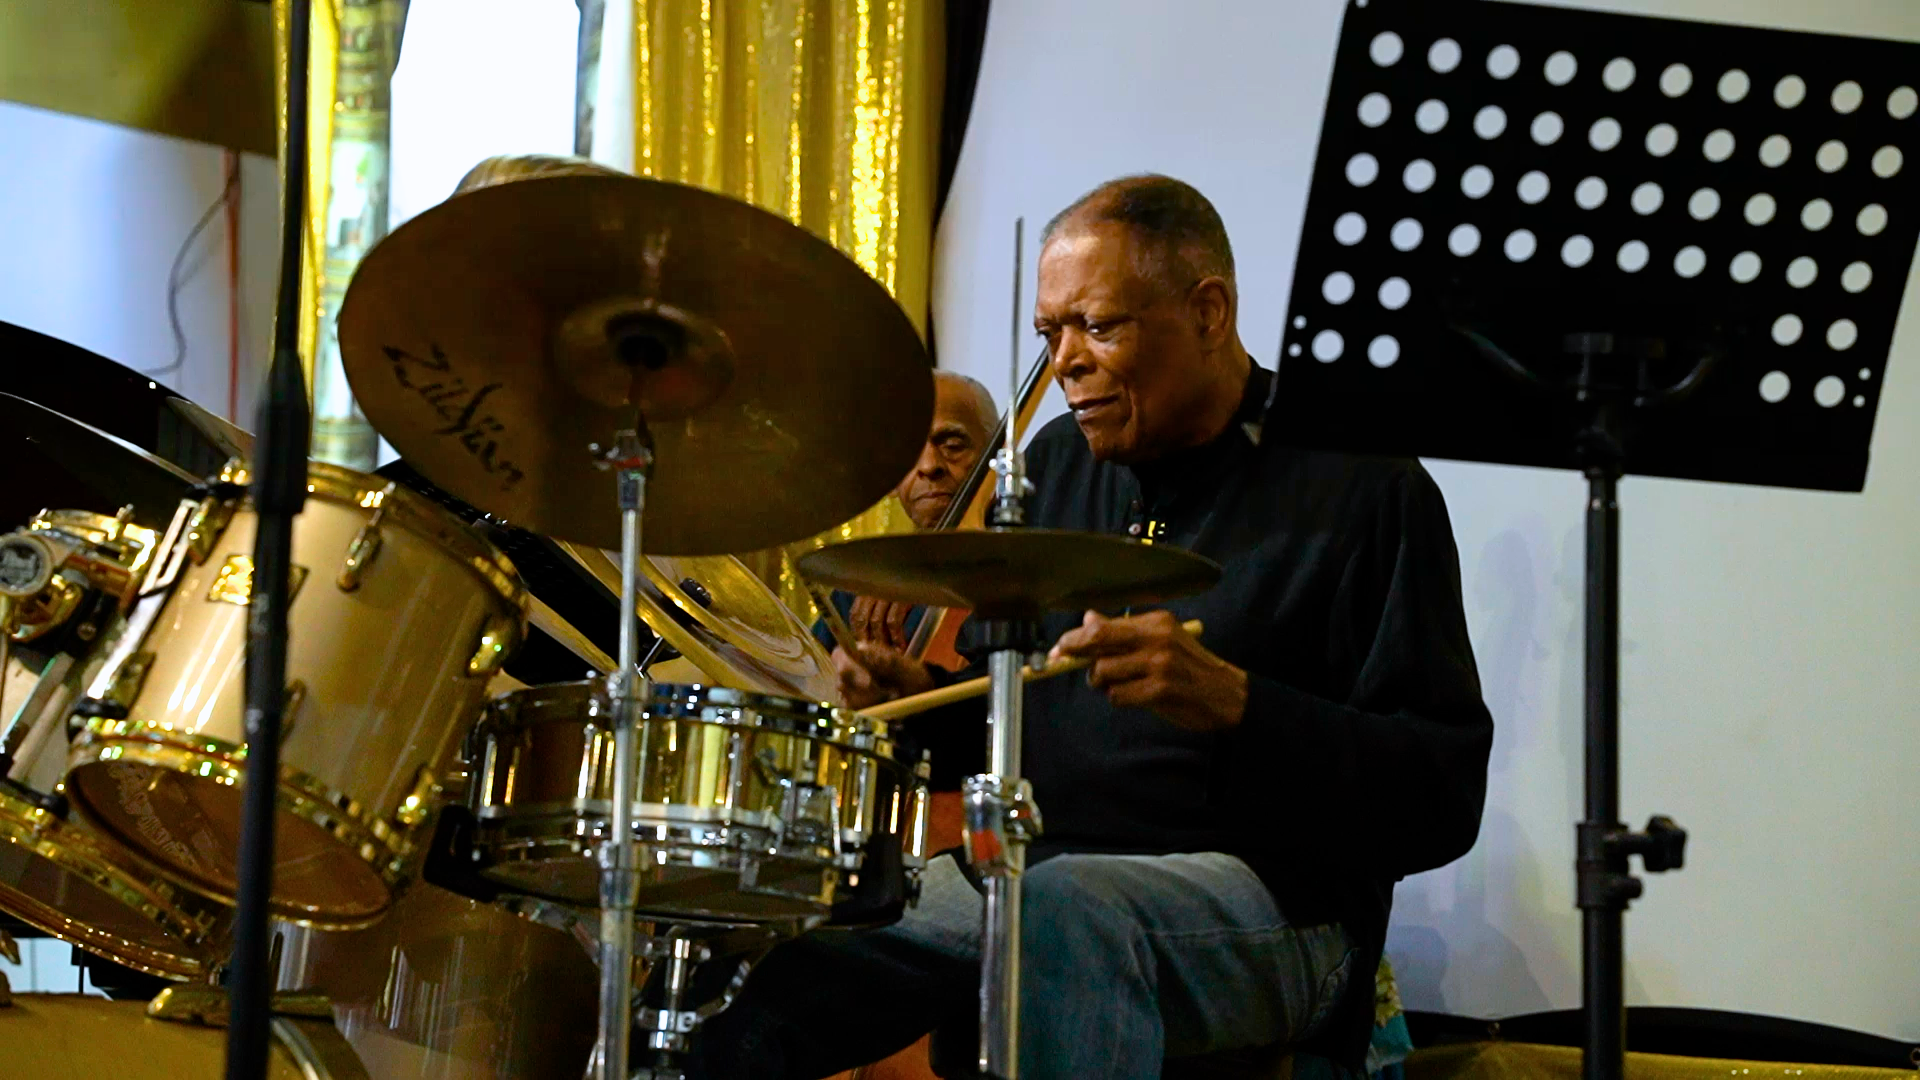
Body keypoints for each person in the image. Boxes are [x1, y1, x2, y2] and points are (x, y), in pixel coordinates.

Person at [690, 175, 1493, 1080]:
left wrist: (1239, 705)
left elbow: (1441, 797)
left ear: (1209, 311)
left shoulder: (1362, 483)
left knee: (1059, 913)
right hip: (1043, 868)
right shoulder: (1057, 465)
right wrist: (923, 707)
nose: (1066, 362)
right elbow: (1020, 724)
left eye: (1098, 327)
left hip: (1284, 905)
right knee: (773, 936)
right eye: (1050, 334)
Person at [810, 369, 999, 653]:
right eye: (909, 453)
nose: (929, 466)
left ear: (999, 455)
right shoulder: (862, 587)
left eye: (952, 446)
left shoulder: (1024, 566)